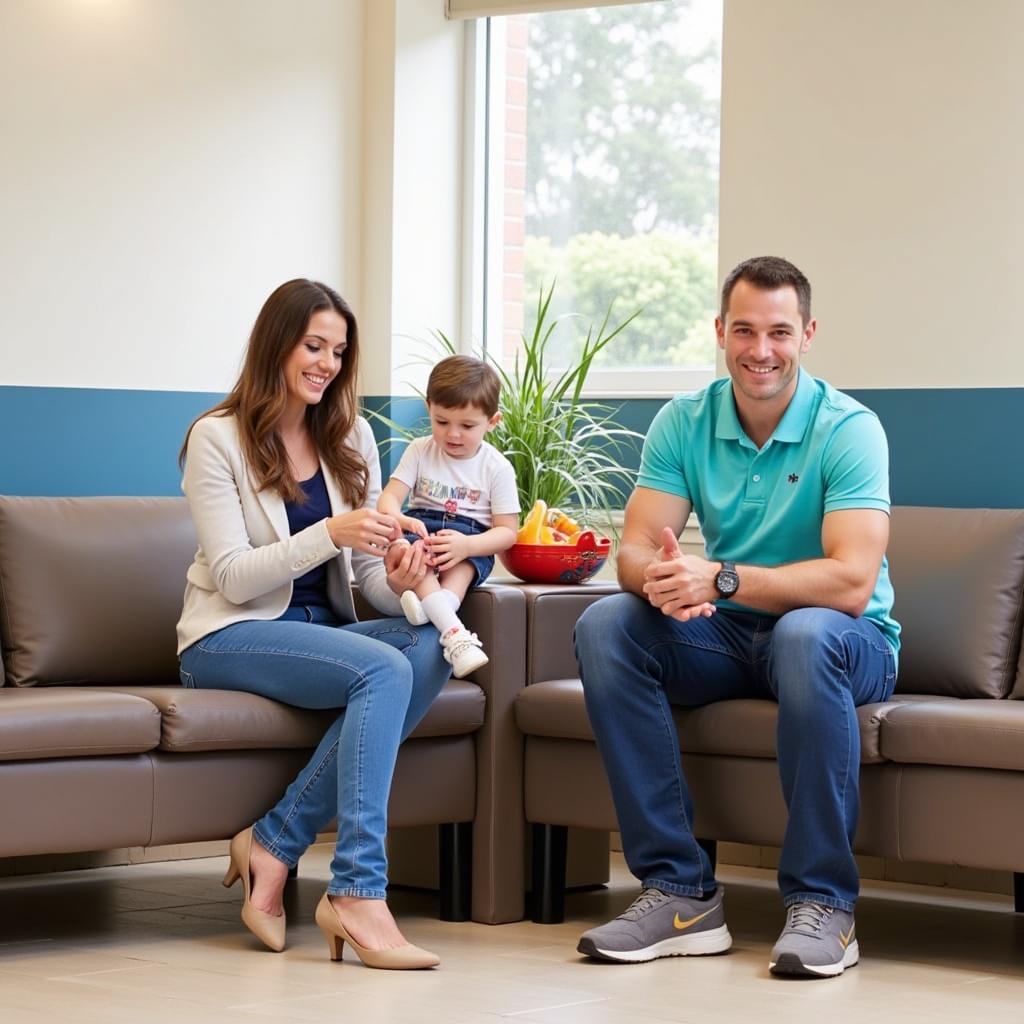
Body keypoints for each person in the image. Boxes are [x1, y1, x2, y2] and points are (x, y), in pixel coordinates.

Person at [574, 256, 900, 978]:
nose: (761, 350)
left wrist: (717, 578)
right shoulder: (684, 422)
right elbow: (630, 548)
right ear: (720, 332)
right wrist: (659, 580)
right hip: (732, 636)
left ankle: (824, 906)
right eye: (744, 330)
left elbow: (850, 583)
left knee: (805, 632)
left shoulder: (849, 429)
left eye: (779, 331)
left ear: (807, 334)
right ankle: (679, 892)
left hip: (848, 642)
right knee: (607, 626)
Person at [176, 279, 451, 969]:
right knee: (384, 667)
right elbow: (236, 575)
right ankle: (358, 889)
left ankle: (274, 838)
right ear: (278, 344)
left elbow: (362, 585)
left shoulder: (350, 434)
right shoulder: (216, 438)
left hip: (323, 634)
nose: (327, 363)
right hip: (228, 634)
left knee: (431, 641)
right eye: (313, 345)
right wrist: (332, 529)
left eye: (338, 350)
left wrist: (401, 578)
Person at [378, 355, 519, 678]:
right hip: (422, 532)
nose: (453, 435)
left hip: (469, 540)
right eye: (441, 422)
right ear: (429, 408)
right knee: (409, 553)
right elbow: (388, 498)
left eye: (467, 426)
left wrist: (468, 546)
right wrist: (400, 519)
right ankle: (456, 635)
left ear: (492, 421)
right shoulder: (419, 450)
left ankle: (436, 618)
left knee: (460, 568)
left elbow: (507, 532)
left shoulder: (496, 468)